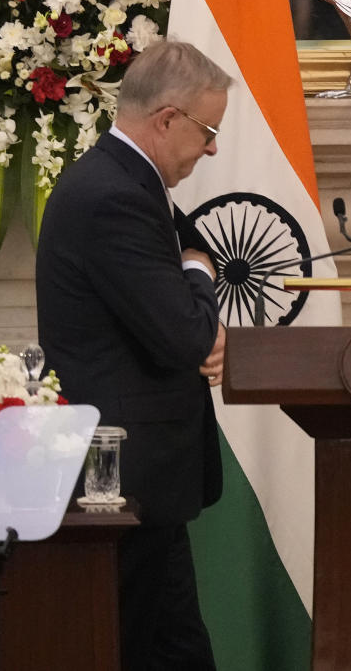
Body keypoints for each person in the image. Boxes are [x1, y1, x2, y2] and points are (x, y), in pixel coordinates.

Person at [36, 41, 232, 670]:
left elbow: (187, 252)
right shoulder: (113, 194)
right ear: (168, 120)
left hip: (140, 483)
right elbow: (185, 336)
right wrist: (200, 281)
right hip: (124, 480)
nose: (212, 148)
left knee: (173, 649)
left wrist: (193, 269)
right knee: (140, 649)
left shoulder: (127, 178)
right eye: (207, 131)